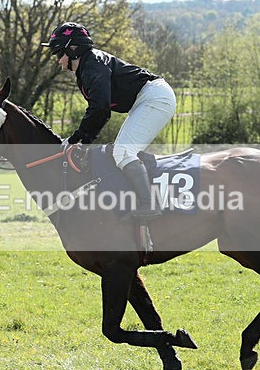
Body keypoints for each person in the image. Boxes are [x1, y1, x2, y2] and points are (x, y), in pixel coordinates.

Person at [41, 22, 177, 221]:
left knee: (123, 152)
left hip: (155, 98)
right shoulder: (87, 67)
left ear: (73, 50)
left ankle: (149, 204)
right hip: (148, 98)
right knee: (120, 151)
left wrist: (77, 139)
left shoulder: (92, 66)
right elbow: (99, 112)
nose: (56, 59)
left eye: (58, 53)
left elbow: (100, 109)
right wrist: (83, 141)